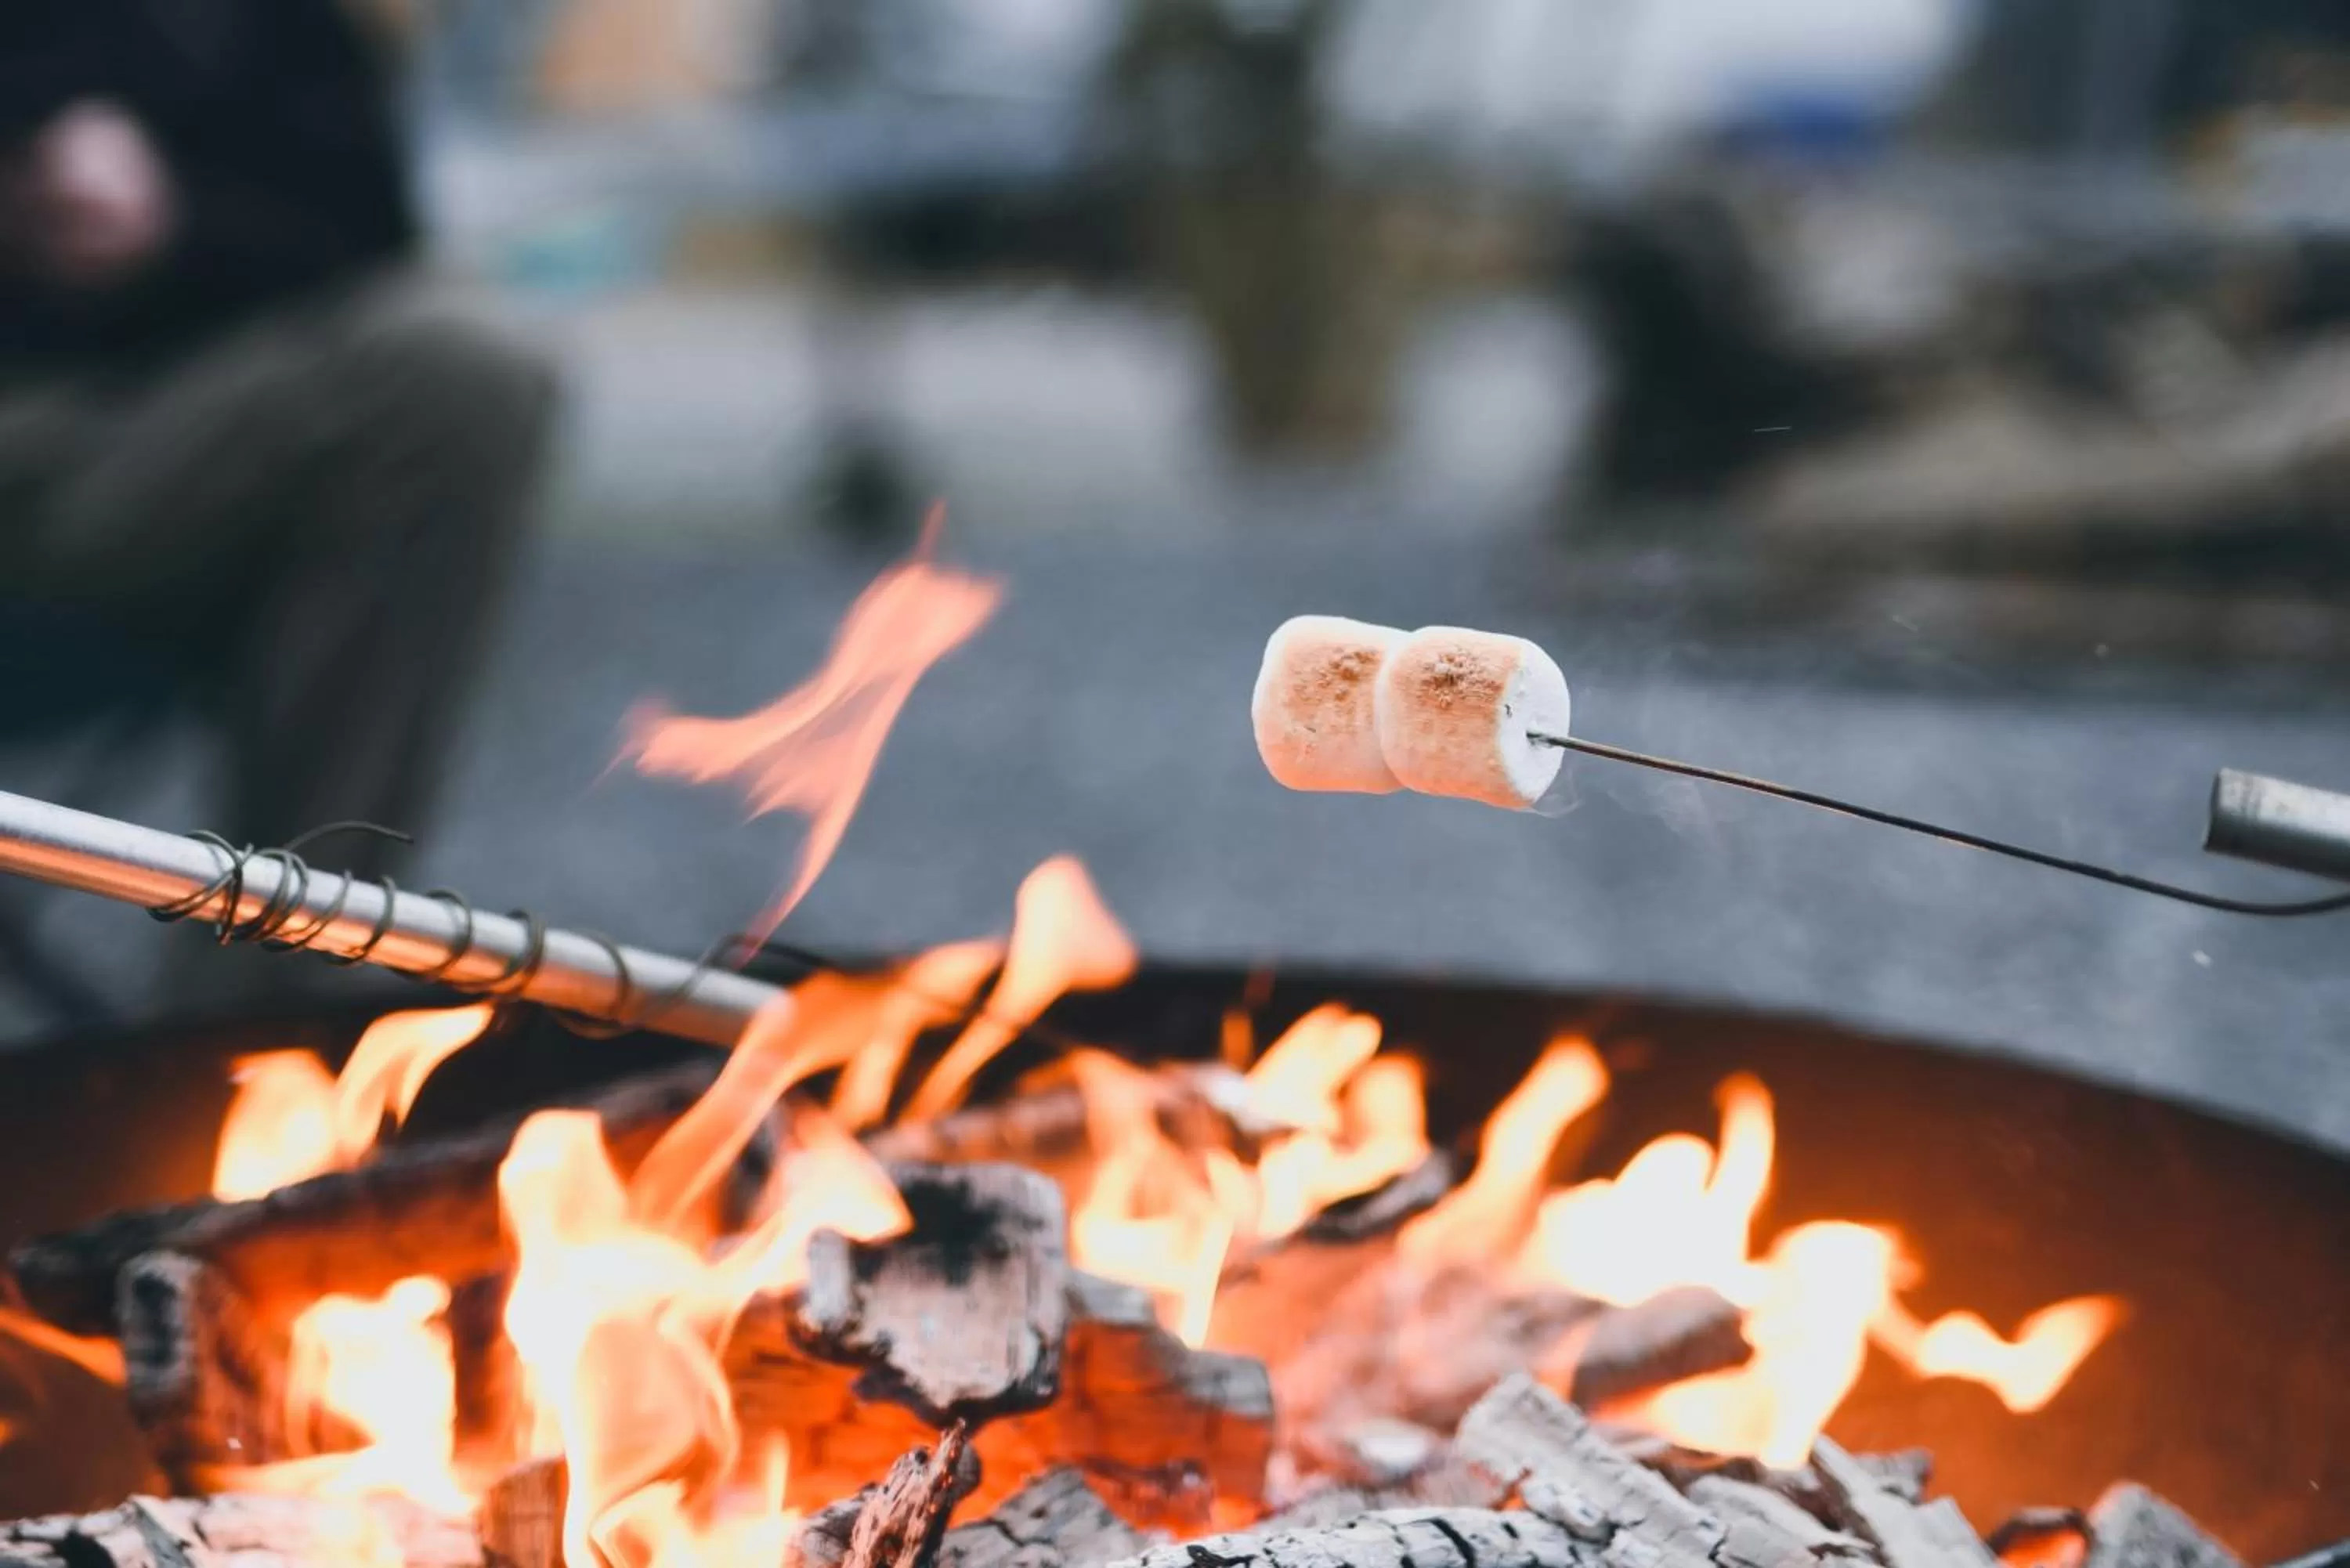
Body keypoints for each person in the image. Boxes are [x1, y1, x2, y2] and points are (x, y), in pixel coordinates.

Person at [0, 0, 560, 1016]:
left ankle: (254, 1039)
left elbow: (362, 213)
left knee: (459, 375)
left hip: (138, 444)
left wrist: (178, 222)